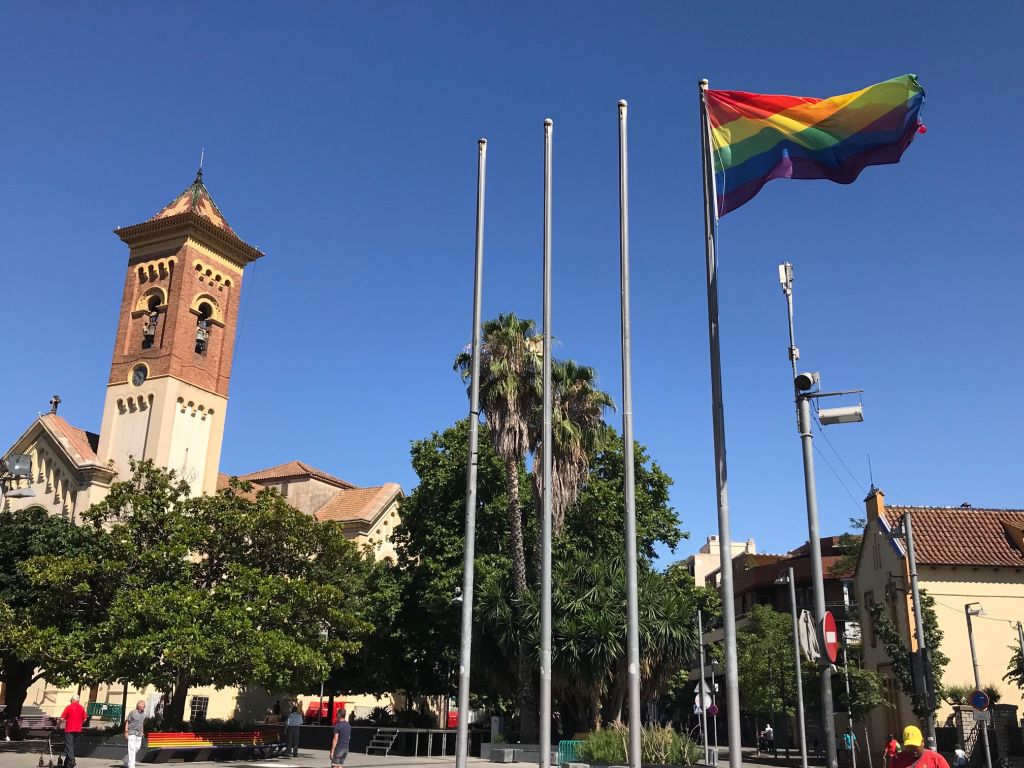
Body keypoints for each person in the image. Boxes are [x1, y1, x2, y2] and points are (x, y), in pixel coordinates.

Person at [59, 694, 87, 768]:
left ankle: (72, 760)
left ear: (72, 700)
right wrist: (80, 723)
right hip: (78, 729)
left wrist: (58, 725)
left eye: (70, 700)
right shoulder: (81, 708)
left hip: (69, 729)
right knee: (72, 746)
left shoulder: (69, 707)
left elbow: (61, 718)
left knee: (69, 745)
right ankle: (67, 763)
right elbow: (85, 719)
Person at [125, 699, 146, 768]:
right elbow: (127, 721)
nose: (144, 706)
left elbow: (141, 723)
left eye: (144, 705)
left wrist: (142, 731)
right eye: (142, 705)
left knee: (137, 747)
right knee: (132, 749)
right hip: (132, 732)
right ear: (138, 706)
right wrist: (126, 732)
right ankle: (131, 765)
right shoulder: (132, 712)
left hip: (139, 733)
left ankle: (126, 758)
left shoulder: (143, 714)